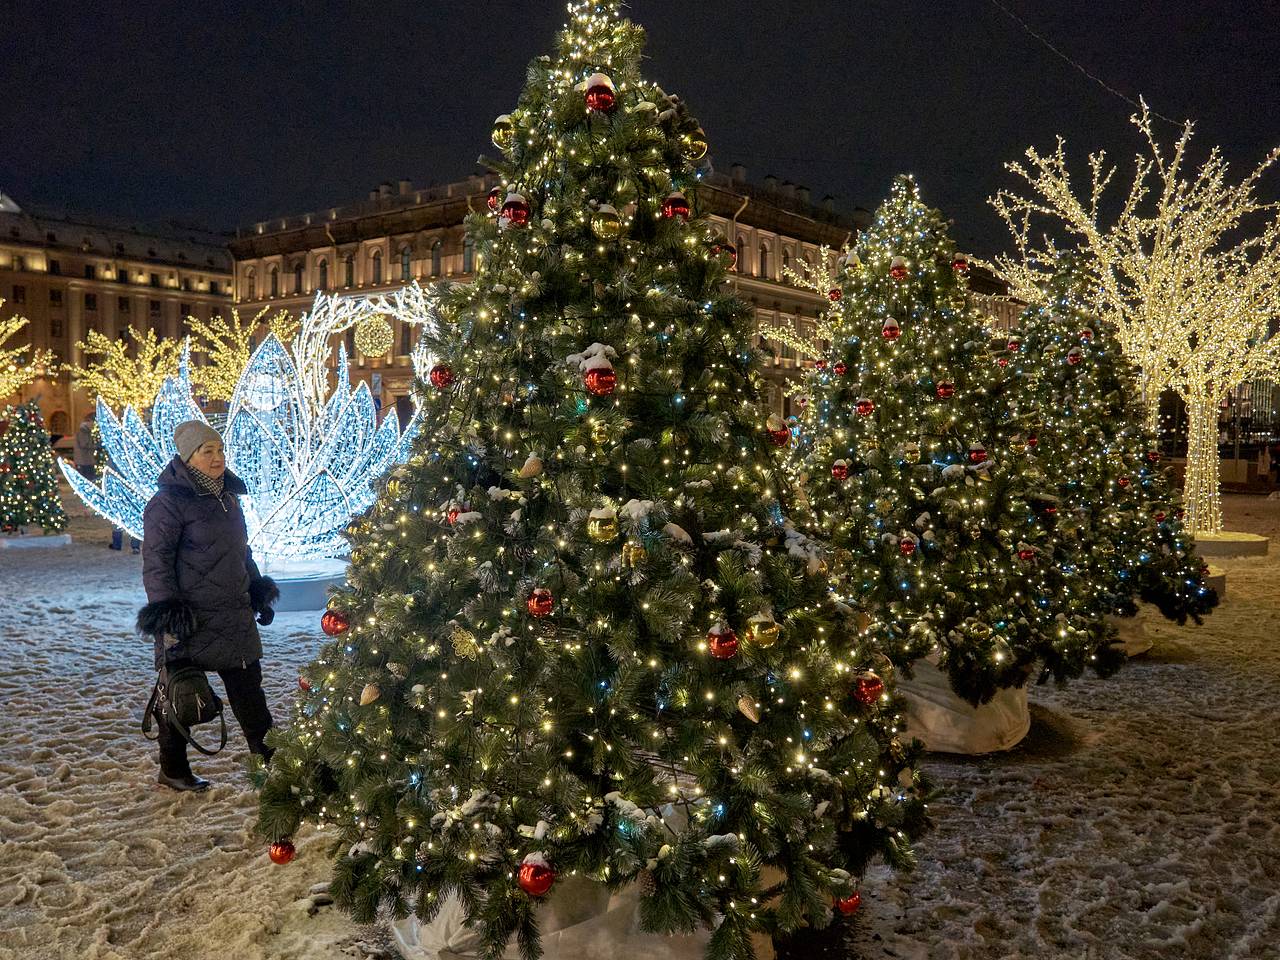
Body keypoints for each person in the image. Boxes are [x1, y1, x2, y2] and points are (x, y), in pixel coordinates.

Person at [136, 421, 278, 791]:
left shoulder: (228, 498)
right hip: (191, 619)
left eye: (220, 450)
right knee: (182, 695)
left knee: (251, 695)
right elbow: (156, 565)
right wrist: (169, 616)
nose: (217, 458)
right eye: (207, 451)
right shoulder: (167, 503)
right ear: (187, 458)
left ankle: (273, 766)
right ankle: (173, 770)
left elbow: (240, 553)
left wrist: (257, 590)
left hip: (233, 612)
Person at [72, 410, 97, 480]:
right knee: (87, 479)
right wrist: (95, 446)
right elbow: (84, 444)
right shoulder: (83, 431)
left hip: (86, 461)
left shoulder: (86, 431)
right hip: (84, 461)